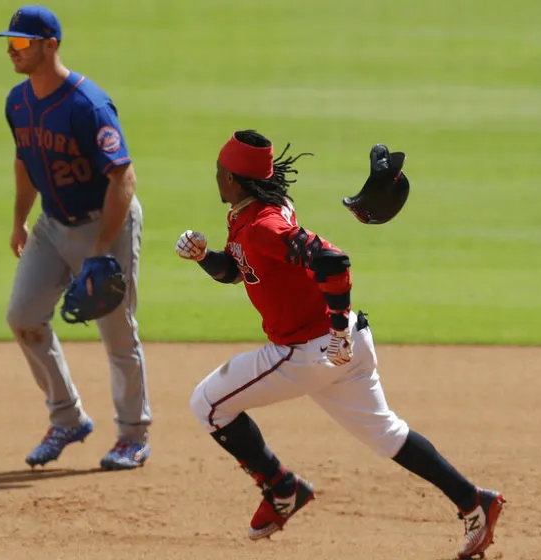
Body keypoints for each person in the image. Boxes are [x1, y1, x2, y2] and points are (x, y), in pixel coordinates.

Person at [175, 130, 505, 558]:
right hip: (341, 345)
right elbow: (239, 272)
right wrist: (205, 258)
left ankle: (281, 487)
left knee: (208, 404)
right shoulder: (253, 214)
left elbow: (332, 261)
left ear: (235, 180)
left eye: (221, 170)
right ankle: (473, 501)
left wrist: (336, 333)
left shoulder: (263, 226)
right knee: (388, 435)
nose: (216, 176)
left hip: (309, 351)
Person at [0, 5, 151, 471]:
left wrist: (102, 248)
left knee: (117, 333)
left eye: (21, 43)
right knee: (23, 317)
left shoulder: (88, 105)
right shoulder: (17, 102)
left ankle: (133, 436)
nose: (12, 50)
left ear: (50, 45)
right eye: (10, 42)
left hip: (106, 224)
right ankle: (67, 417)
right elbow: (25, 162)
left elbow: (123, 178)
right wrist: (20, 220)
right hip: (52, 223)